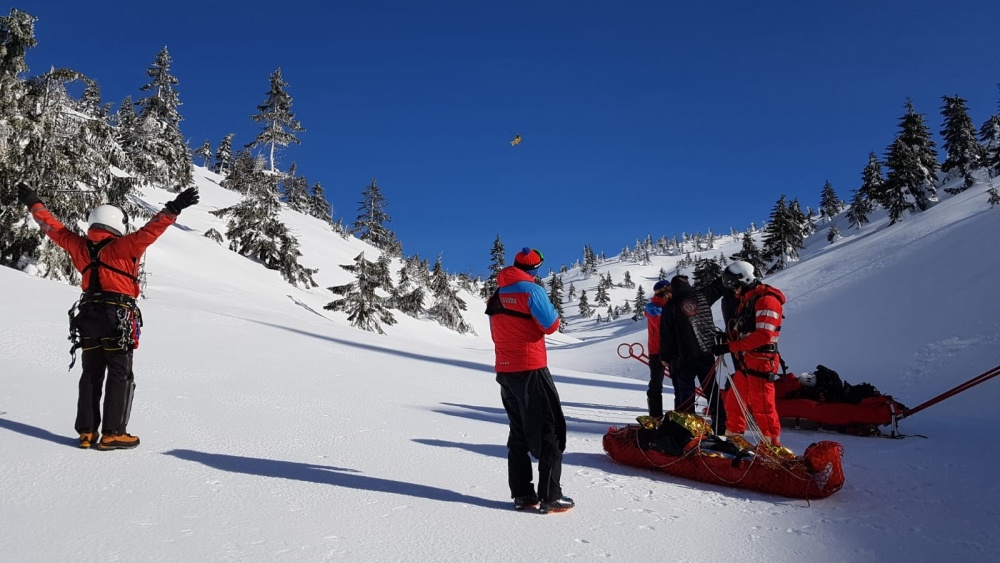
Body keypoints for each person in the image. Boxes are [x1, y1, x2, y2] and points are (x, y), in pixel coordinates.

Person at [17, 183, 199, 451]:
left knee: (91, 374)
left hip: (88, 316)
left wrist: (34, 202)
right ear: (116, 224)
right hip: (117, 318)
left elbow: (52, 227)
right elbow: (151, 230)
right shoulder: (125, 246)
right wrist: (174, 208)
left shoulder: (79, 246)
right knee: (119, 374)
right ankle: (114, 433)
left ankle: (87, 432)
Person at [486, 247, 574, 514]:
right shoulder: (532, 291)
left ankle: (523, 494)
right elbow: (551, 325)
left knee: (518, 431)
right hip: (531, 367)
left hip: (505, 369)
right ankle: (550, 496)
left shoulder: (497, 294)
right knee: (550, 429)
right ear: (535, 269)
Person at [712, 260, 786, 447]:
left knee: (762, 407)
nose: (734, 291)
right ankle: (733, 440)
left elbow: (763, 335)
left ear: (745, 279)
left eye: (735, 286)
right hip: (747, 361)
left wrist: (730, 347)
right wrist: (726, 339)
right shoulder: (748, 300)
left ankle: (772, 448)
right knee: (733, 402)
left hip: (761, 361)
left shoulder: (767, 300)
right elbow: (745, 331)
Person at [659, 274, 728, 434]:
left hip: (682, 356)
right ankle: (721, 427)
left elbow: (666, 334)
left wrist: (665, 357)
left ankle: (688, 430)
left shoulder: (670, 306)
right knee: (712, 390)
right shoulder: (702, 295)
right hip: (705, 352)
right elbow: (718, 286)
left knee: (686, 395)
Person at [643, 280, 671, 417]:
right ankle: (655, 415)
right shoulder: (652, 307)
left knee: (681, 383)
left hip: (672, 349)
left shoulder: (670, 305)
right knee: (656, 384)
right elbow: (661, 324)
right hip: (657, 351)